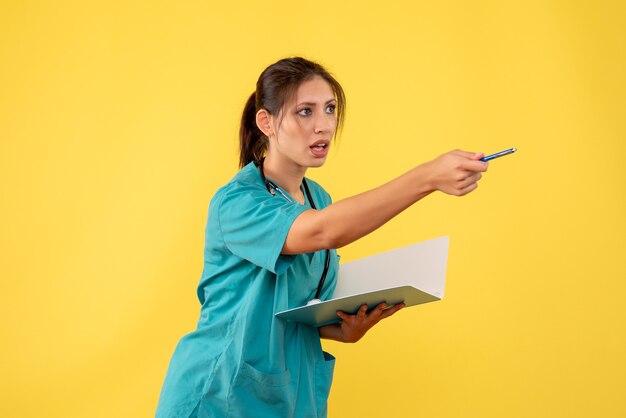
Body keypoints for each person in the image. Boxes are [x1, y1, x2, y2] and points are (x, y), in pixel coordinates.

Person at [155, 57, 488, 418]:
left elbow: (294, 308)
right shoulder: (237, 203)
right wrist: (428, 177)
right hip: (221, 394)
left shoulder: (318, 199)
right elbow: (322, 230)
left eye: (329, 109)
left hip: (291, 396)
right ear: (266, 122)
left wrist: (341, 328)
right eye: (305, 112)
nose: (323, 126)